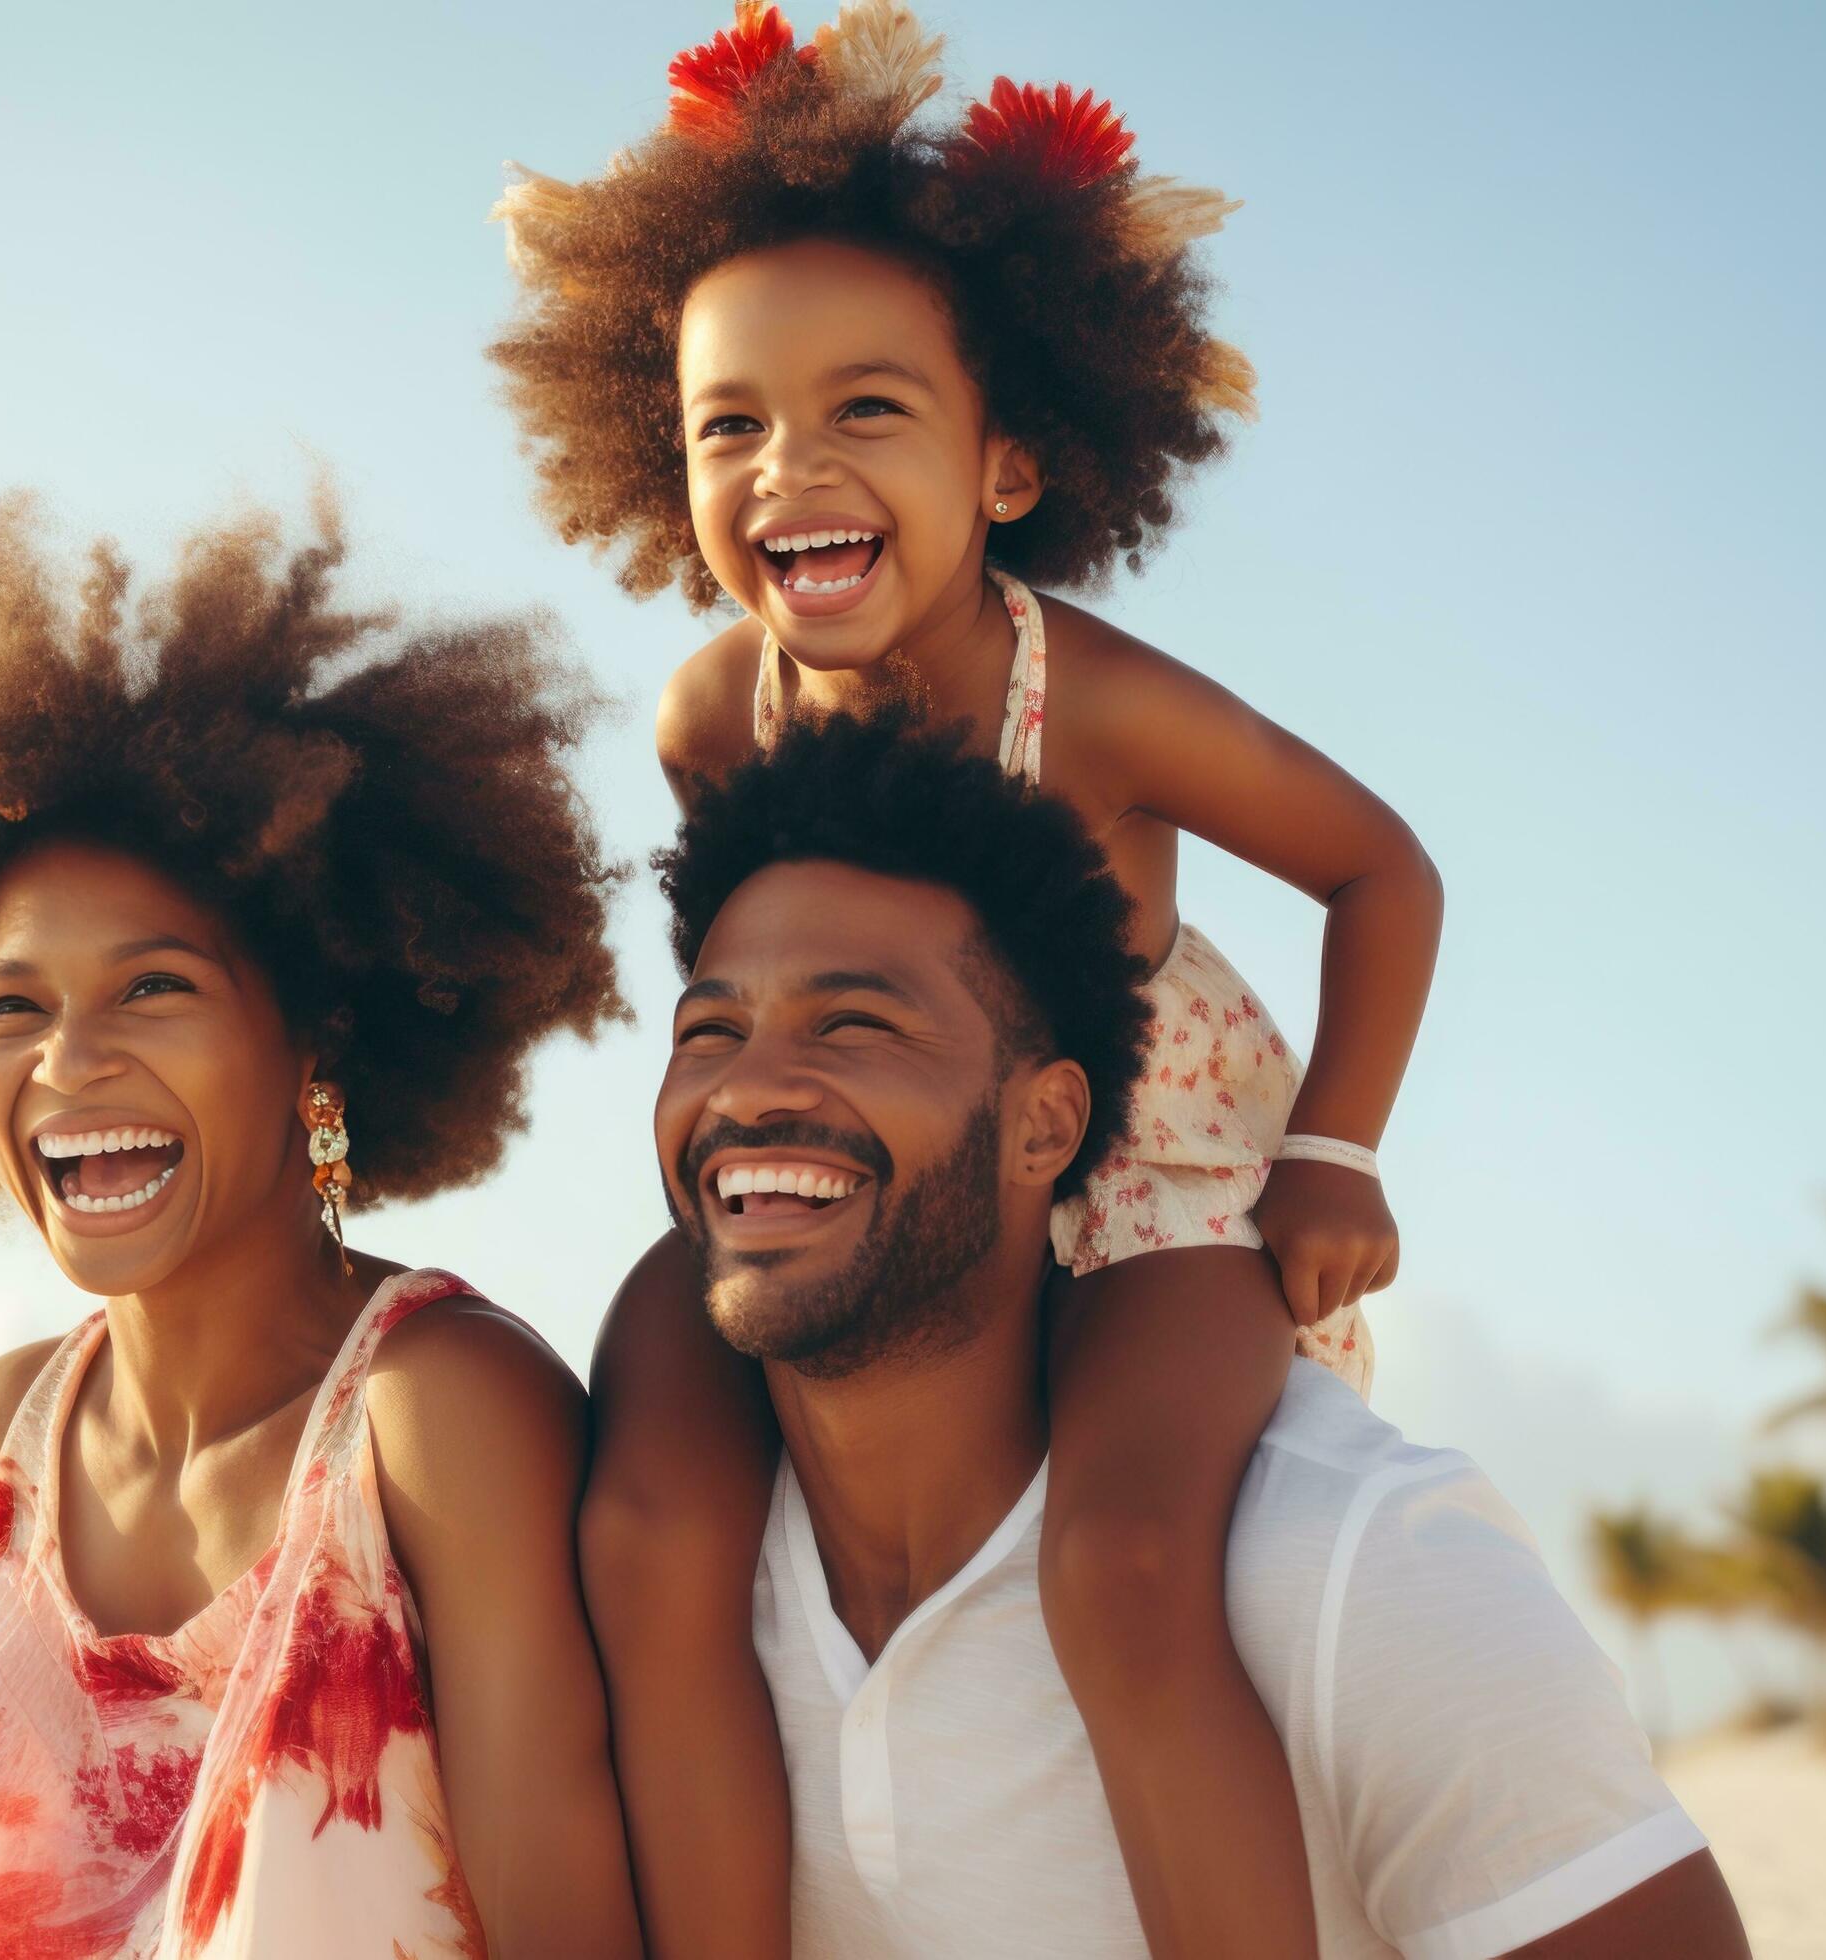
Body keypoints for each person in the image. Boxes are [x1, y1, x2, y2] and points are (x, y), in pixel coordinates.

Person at [492, 6, 1439, 1949]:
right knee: (649, 1510)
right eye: (729, 422)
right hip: (876, 1200)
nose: (791, 468)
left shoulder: (1080, 696)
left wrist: (1333, 1152)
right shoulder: (710, 712)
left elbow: (1380, 863)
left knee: (1124, 1549)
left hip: (1148, 1201)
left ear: (1007, 461)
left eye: (868, 409)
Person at [0, 496, 643, 1958]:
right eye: (14, 1007)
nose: (66, 1065)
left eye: (153, 988)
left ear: (317, 1032)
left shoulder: (436, 1419)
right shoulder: (0, 1445)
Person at [643, 707, 1747, 1958]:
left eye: (855, 1025)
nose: (749, 1086)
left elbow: (1381, 868)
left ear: (1047, 1127)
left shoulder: (1351, 1572)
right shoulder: (657, 1575)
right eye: (708, 1033)